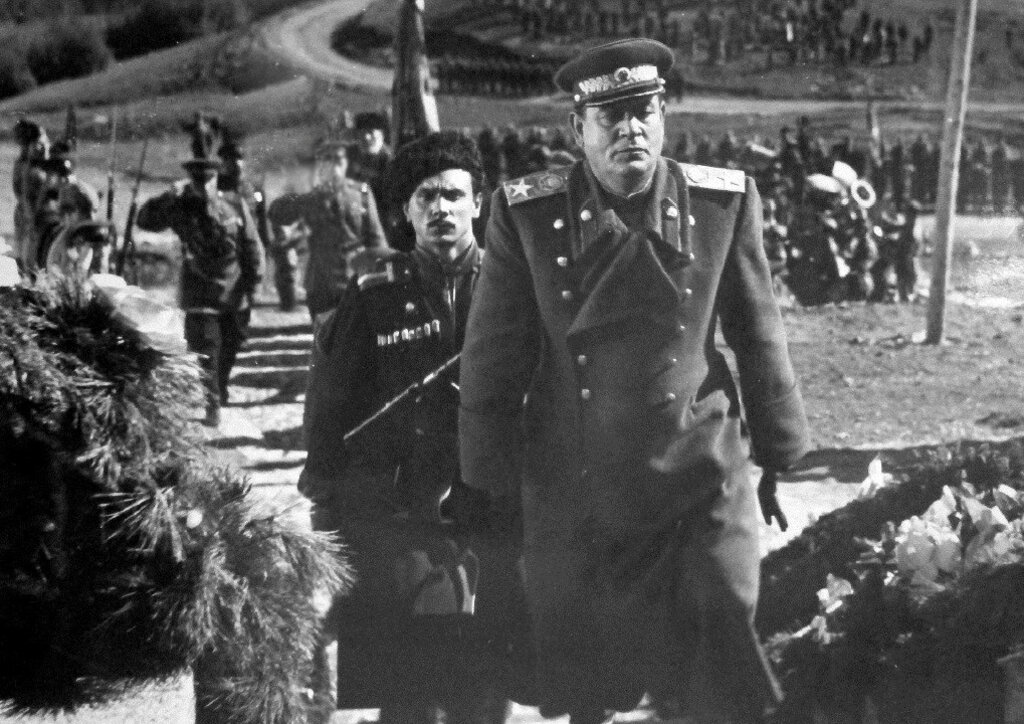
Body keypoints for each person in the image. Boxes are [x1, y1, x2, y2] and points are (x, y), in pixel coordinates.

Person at [458, 38, 810, 724]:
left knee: (720, 630)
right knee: (589, 677)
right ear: (578, 129)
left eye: (644, 112)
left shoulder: (721, 203)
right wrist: (487, 482)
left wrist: (780, 450)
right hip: (580, 482)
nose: (630, 130)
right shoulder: (527, 216)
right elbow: (492, 359)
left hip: (699, 471)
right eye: (610, 117)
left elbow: (758, 331)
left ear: (664, 117)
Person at [301, 131, 524, 724]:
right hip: (401, 511)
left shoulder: (515, 287)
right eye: (426, 197)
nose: (440, 208)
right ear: (405, 211)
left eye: (453, 194)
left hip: (494, 508)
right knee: (406, 692)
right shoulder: (374, 296)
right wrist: (325, 500)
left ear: (478, 203)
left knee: (484, 688)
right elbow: (331, 405)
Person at [136, 118, 265, 426]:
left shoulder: (234, 204)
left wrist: (254, 286)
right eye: (197, 179)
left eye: (208, 178)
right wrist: (165, 197)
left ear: (216, 178)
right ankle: (212, 401)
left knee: (231, 344)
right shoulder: (180, 206)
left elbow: (251, 246)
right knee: (206, 347)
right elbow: (145, 221)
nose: (203, 184)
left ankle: (219, 385)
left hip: (232, 290)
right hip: (199, 290)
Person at [267, 141, 387, 321]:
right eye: (327, 160)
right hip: (321, 282)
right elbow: (277, 214)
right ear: (321, 165)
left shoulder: (361, 193)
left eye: (338, 160)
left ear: (345, 163)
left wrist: (382, 277)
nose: (334, 166)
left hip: (354, 278)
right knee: (325, 334)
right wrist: (305, 199)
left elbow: (376, 239)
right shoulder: (310, 198)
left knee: (355, 333)